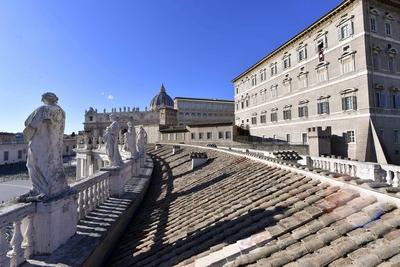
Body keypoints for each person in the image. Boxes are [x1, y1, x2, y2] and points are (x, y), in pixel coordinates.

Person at [22, 92, 68, 200]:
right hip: (54, 144)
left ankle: (39, 189)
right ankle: (55, 187)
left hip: (40, 143)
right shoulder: (62, 112)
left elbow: (30, 126)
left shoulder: (43, 110)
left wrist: (26, 137)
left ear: (45, 99)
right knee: (54, 165)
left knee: (33, 164)